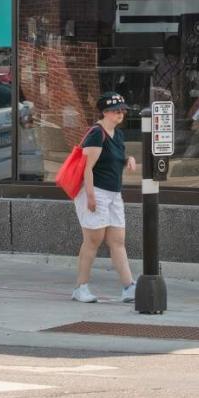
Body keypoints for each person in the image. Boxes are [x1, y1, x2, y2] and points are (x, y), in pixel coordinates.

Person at [70, 92, 136, 304]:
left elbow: (114, 159)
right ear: (105, 112)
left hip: (113, 193)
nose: (121, 114)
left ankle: (129, 287)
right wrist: (90, 197)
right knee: (93, 241)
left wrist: (128, 159)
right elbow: (87, 168)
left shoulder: (118, 134)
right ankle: (80, 287)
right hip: (95, 191)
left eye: (123, 110)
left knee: (118, 241)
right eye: (116, 111)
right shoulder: (97, 134)